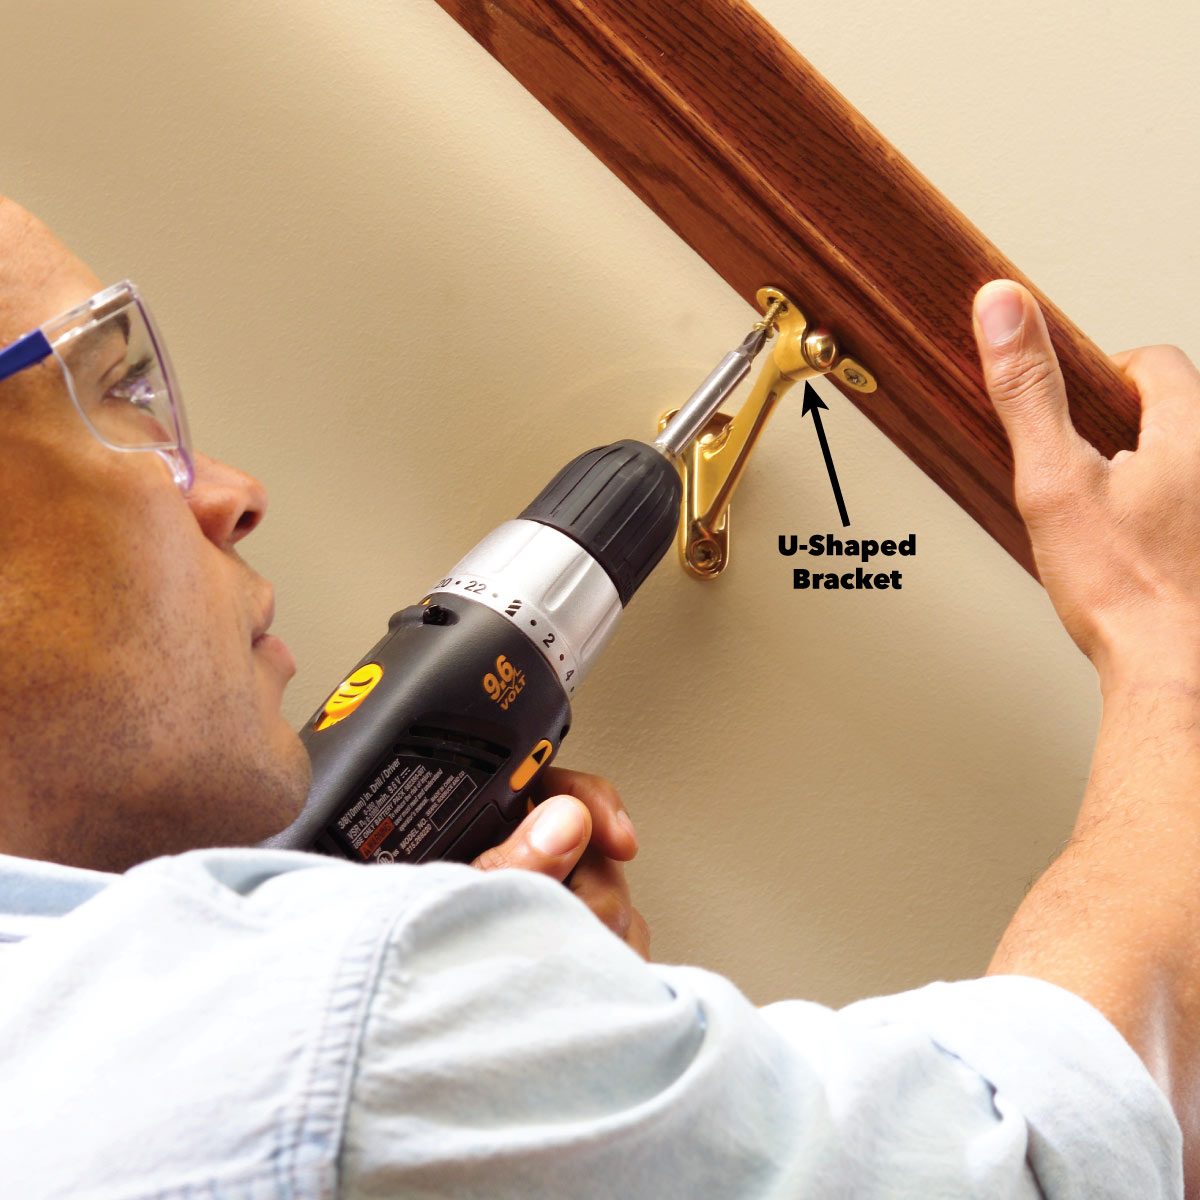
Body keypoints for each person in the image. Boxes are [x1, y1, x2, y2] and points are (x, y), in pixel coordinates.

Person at [0, 193, 1191, 1199]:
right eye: (114, 393)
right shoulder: (315, 1030)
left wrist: (486, 1025)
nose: (230, 494)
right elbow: (1016, 1150)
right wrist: (1167, 646)